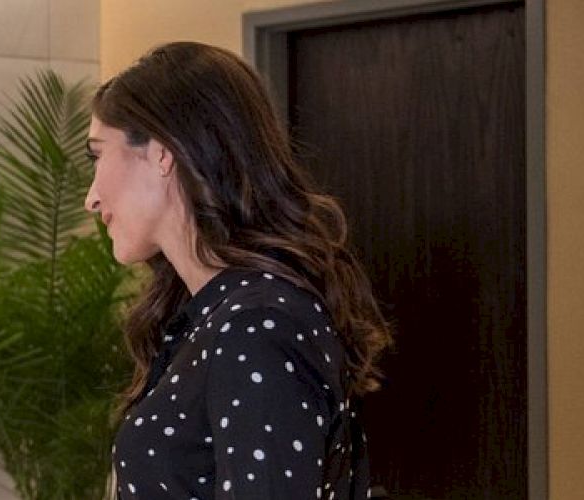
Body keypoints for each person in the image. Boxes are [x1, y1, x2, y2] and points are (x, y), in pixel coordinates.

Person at [85, 42, 392, 499]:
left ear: (162, 152)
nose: (90, 198)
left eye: (98, 155)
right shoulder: (210, 317)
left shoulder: (253, 327)